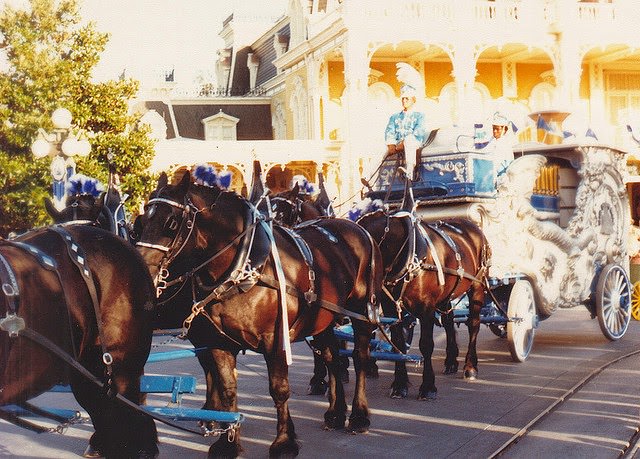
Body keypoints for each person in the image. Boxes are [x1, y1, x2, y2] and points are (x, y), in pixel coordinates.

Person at [384, 84, 427, 179]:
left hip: (413, 142)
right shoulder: (394, 117)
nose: (404, 101)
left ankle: (409, 170)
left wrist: (404, 143)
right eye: (402, 99)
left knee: (409, 141)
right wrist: (391, 144)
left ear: (413, 100)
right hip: (397, 144)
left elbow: (419, 130)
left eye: (407, 98)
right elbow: (389, 130)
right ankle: (369, 179)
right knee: (379, 149)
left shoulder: (419, 116)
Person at [488, 112, 514, 178]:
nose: (494, 131)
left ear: (504, 130)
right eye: (493, 128)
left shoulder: (507, 144)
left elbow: (509, 165)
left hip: (502, 177)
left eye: (497, 129)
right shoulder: (489, 143)